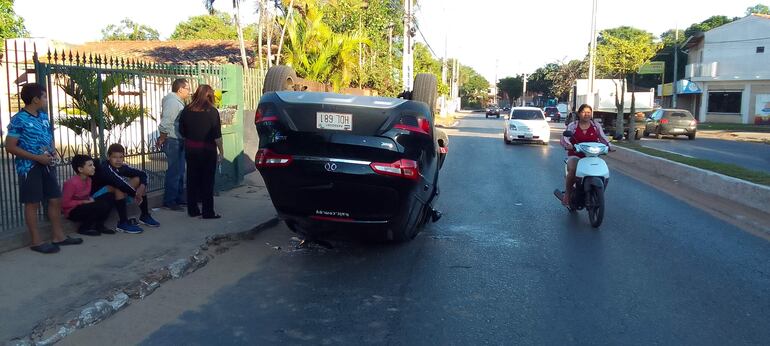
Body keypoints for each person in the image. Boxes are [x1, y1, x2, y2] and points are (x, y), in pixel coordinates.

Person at [4, 83, 83, 253]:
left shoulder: (43, 116)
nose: (47, 100)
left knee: (55, 199)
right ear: (35, 99)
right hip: (29, 167)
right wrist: (37, 158)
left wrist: (52, 151)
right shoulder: (19, 119)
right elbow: (10, 146)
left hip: (47, 165)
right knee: (33, 204)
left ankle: (58, 236)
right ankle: (36, 241)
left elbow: (48, 136)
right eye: (45, 96)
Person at [178, 84, 224, 219]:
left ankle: (192, 210)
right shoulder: (212, 112)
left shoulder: (186, 110)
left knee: (192, 179)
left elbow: (182, 131)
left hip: (191, 149)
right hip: (207, 150)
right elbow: (217, 136)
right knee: (207, 181)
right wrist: (221, 151)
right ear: (210, 96)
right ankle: (208, 211)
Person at [92, 143, 160, 233]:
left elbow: (142, 173)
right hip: (97, 196)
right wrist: (135, 194)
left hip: (114, 193)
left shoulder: (122, 167)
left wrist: (141, 187)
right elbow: (119, 183)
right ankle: (123, 223)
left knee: (137, 179)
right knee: (119, 187)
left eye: (121, 157)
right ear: (108, 157)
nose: (118, 160)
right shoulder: (105, 168)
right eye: (115, 157)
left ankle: (145, 216)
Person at [559, 104, 611, 206]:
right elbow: (564, 138)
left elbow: (603, 137)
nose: (586, 114)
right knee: (573, 170)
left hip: (593, 156)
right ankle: (568, 195)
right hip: (576, 155)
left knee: (604, 172)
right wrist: (569, 145)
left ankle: (598, 193)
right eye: (583, 112)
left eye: (588, 112)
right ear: (579, 114)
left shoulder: (596, 126)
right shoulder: (573, 125)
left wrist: (609, 145)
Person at [157, 78, 191, 211]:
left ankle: (178, 197)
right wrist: (162, 137)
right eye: (187, 88)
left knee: (180, 170)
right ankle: (170, 200)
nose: (189, 91)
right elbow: (167, 121)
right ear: (180, 89)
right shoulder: (172, 102)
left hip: (178, 138)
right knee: (174, 171)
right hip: (173, 139)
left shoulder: (177, 101)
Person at [62, 154, 115, 236]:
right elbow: (64, 204)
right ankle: (84, 228)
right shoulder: (71, 183)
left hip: (85, 205)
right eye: (90, 165)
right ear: (80, 169)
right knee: (99, 205)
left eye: (93, 165)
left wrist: (89, 199)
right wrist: (83, 202)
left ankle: (99, 225)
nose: (94, 167)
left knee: (110, 197)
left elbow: (86, 195)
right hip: (72, 211)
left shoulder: (89, 179)